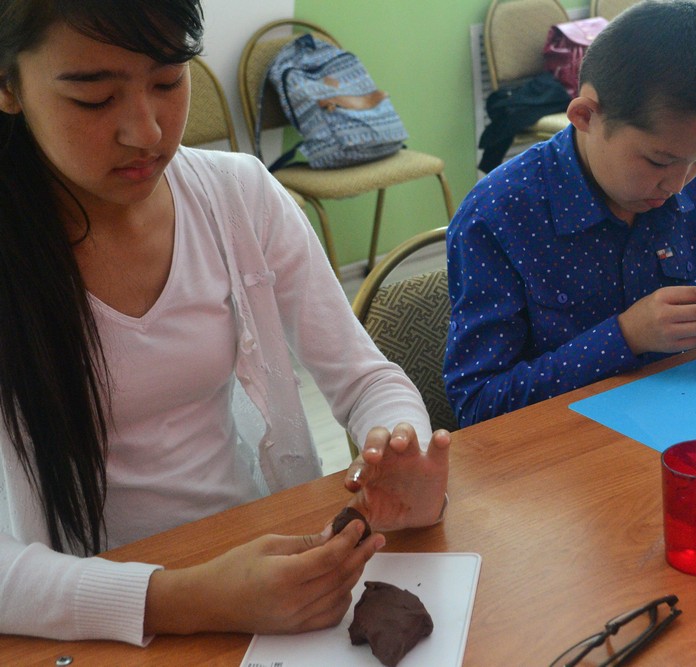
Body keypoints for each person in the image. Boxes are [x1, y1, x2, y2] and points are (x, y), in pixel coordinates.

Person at [0, 0, 449, 645]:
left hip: (255, 567)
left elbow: (365, 378)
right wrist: (187, 599)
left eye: (168, 81)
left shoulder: (237, 196)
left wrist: (400, 443)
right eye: (94, 98)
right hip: (88, 618)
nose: (146, 132)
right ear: (9, 85)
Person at [444, 0, 696, 427]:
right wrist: (627, 336)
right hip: (565, 453)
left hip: (678, 426)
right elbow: (478, 406)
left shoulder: (695, 183)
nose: (678, 185)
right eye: (658, 161)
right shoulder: (497, 217)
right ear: (585, 116)